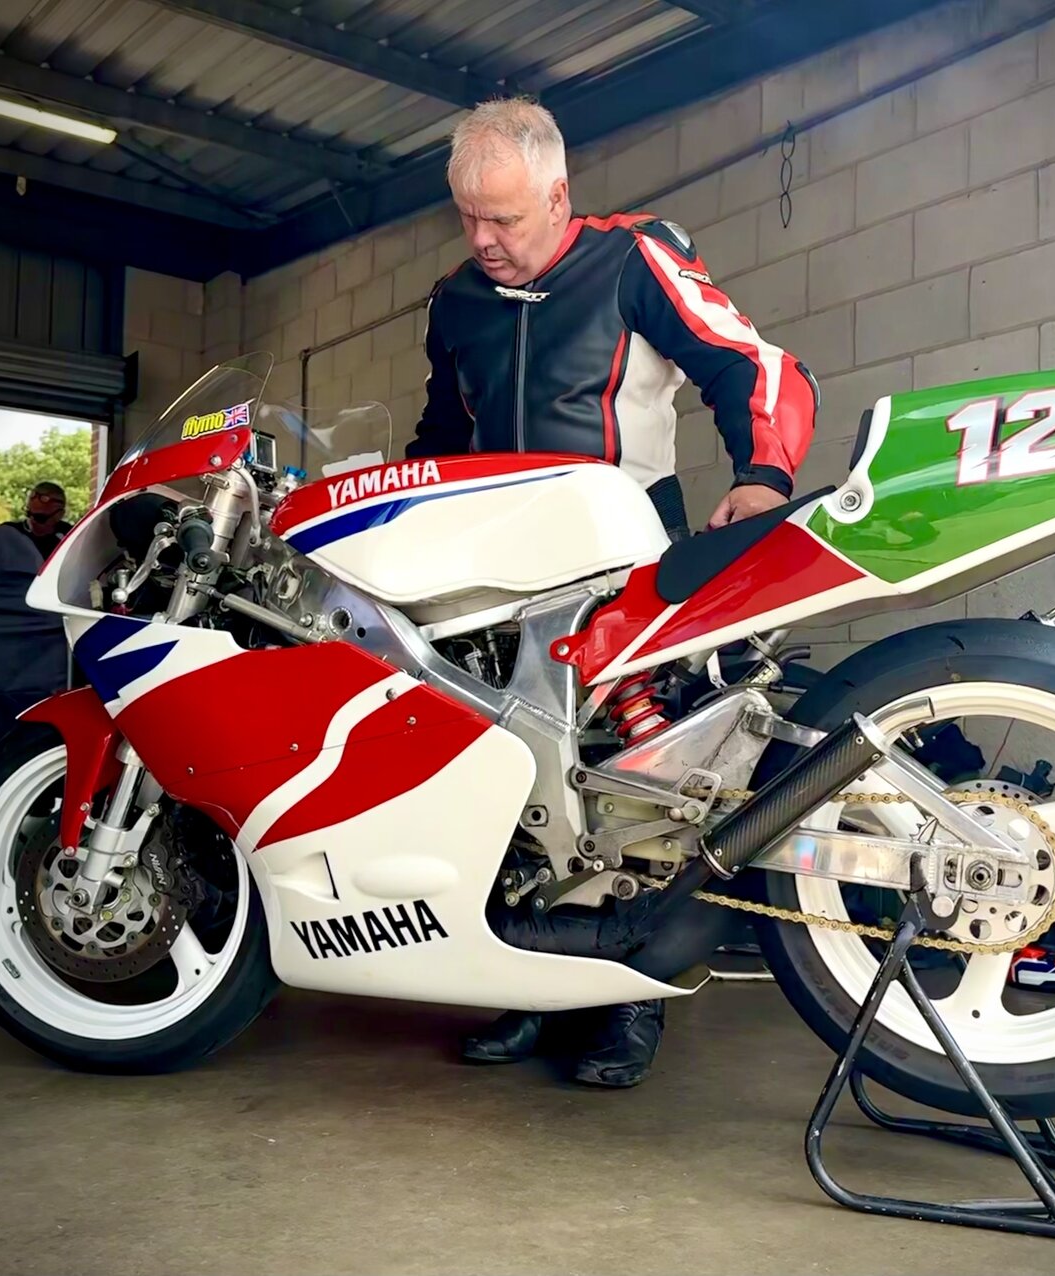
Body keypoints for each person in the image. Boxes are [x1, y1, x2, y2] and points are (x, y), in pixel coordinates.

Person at [404, 97, 819, 1088]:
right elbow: (438, 441)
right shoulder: (455, 301)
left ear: (557, 197)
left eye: (504, 218)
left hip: (624, 564)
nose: (483, 240)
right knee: (509, 785)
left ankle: (629, 998)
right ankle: (526, 984)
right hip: (495, 581)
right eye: (467, 217)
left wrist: (763, 476)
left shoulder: (634, 261)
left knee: (633, 787)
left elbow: (753, 367)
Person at [19, 481, 73, 560]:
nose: (34, 523)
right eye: (30, 515)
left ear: (60, 514)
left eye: (40, 518)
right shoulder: (10, 534)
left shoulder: (70, 537)